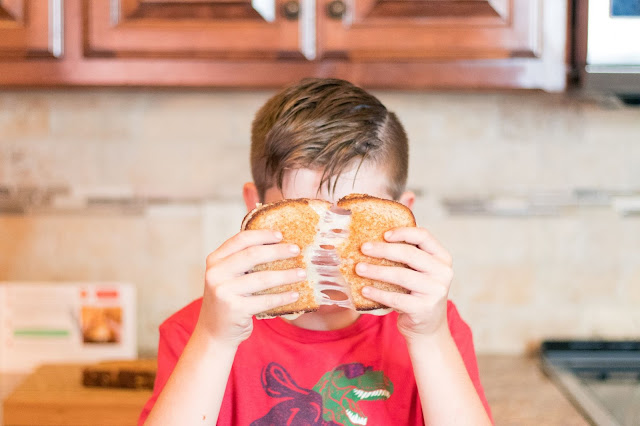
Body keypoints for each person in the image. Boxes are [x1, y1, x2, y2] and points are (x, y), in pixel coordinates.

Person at [139, 78, 493, 426]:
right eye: (304, 222)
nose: (329, 254)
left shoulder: (434, 328)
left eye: (351, 223)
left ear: (402, 216)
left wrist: (429, 339)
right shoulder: (196, 331)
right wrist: (215, 340)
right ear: (255, 212)